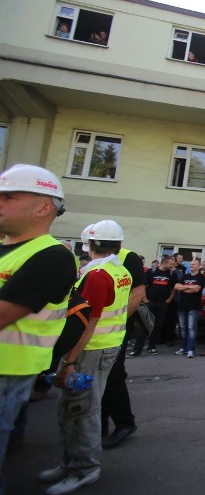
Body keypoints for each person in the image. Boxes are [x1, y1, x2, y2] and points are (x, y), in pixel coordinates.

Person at [39, 219, 132, 495]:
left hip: (90, 349)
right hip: (104, 347)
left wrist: (68, 361)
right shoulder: (119, 270)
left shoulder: (98, 274)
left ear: (90, 245)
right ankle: (72, 462)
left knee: (82, 410)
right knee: (77, 408)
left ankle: (85, 468)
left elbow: (88, 322)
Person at [0, 165, 76, 494]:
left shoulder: (52, 256)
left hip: (7, 372)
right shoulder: (10, 250)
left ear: (43, 207)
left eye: (8, 197)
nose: (0, 202)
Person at [100, 238, 146, 450]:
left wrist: (118, 321)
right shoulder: (94, 261)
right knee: (95, 379)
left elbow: (138, 294)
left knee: (112, 375)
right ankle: (98, 425)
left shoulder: (128, 257)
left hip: (113, 328)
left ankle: (124, 423)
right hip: (93, 328)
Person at [129, 255, 174, 356]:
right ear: (165, 263)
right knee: (143, 326)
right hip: (150, 303)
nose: (172, 266)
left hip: (162, 304)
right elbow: (143, 285)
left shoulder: (171, 274)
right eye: (171, 264)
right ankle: (137, 350)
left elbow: (174, 288)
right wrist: (145, 299)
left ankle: (152, 347)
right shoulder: (151, 272)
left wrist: (169, 300)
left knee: (157, 326)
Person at [173, 259, 205, 358]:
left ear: (199, 266)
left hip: (193, 306)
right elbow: (176, 287)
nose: (191, 265)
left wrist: (184, 287)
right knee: (182, 328)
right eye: (190, 264)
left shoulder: (201, 277)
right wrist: (189, 287)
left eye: (193, 264)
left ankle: (191, 349)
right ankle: (184, 347)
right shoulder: (185, 276)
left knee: (191, 328)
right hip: (182, 306)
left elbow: (196, 289)